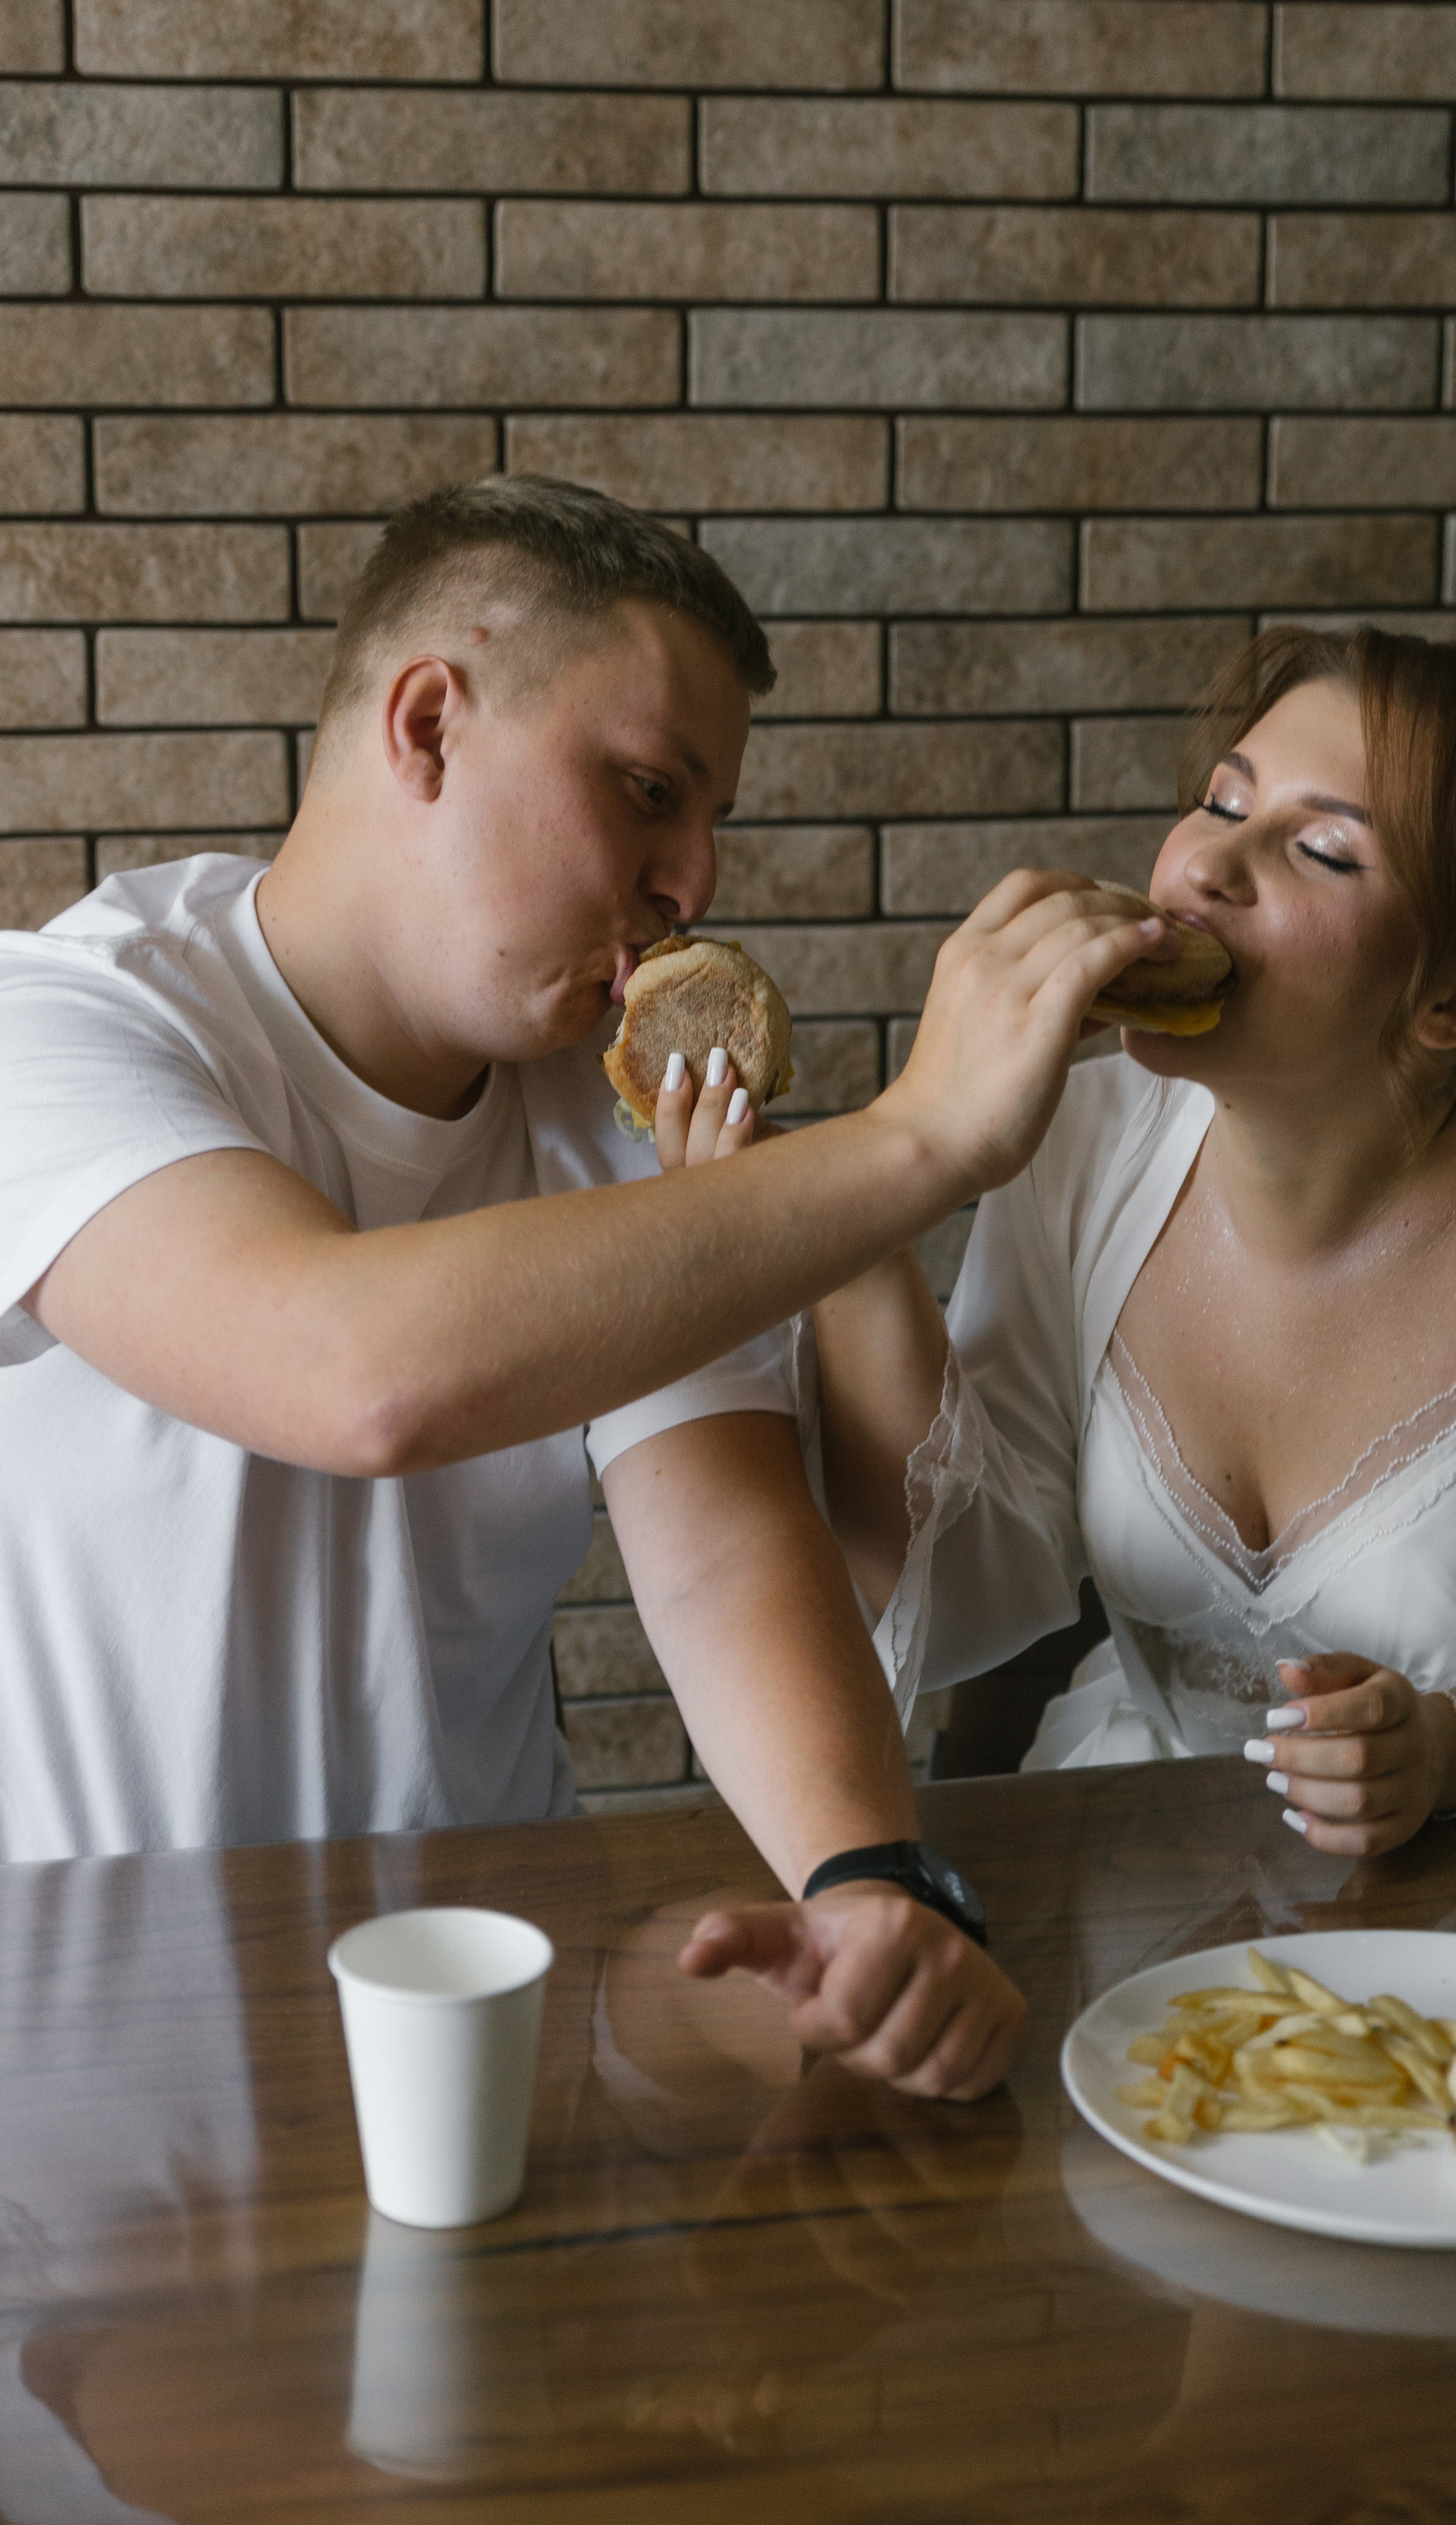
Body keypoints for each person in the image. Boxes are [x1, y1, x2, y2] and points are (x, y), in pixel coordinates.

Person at [0, 475, 1171, 2102]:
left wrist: (867, 1888)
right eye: (643, 792)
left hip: (485, 2001)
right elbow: (359, 1374)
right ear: (426, 725)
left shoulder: (606, 1111)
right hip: (85, 2028)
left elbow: (721, 1542)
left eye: (705, 825)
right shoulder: (62, 1027)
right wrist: (921, 1141)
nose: (690, 879)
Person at [800, 624, 1456, 1858]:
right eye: (1223, 799)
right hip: (1135, 1860)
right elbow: (962, 1597)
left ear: (1454, 1001)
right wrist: (849, 1216)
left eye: (1322, 849)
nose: (1209, 863)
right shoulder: (1080, 1144)